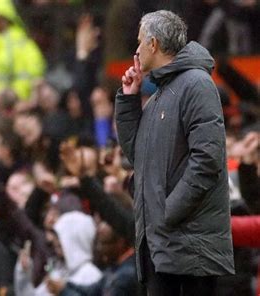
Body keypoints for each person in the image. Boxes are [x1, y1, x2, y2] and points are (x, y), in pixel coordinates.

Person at [114, 10, 234, 295]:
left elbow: (207, 160)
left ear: (154, 44)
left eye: (140, 41)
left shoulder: (197, 84)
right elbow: (138, 157)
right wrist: (129, 100)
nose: (137, 49)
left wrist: (168, 211)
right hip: (162, 242)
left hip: (189, 245)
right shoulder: (159, 95)